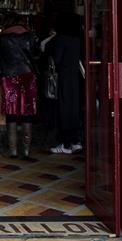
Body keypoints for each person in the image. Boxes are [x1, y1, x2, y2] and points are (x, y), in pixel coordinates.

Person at [0, 13, 39, 160]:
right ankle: (26, 151)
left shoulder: (2, 38)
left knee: (11, 112)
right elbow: (35, 55)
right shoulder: (29, 36)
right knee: (27, 111)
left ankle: (13, 151)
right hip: (28, 75)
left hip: (9, 76)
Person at [46, 14, 83, 154]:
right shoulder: (78, 39)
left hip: (64, 78)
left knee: (64, 110)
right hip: (77, 77)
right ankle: (76, 141)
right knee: (75, 110)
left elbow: (56, 59)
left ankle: (65, 143)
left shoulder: (61, 39)